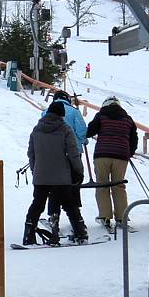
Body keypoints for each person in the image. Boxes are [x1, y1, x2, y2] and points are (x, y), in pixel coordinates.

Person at [23, 101, 88, 245]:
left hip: (41, 176)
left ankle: (28, 234)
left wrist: (36, 170)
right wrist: (78, 171)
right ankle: (79, 233)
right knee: (68, 203)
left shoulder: (36, 129)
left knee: (37, 204)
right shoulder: (65, 129)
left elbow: (31, 154)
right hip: (61, 177)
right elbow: (73, 153)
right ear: (61, 115)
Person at [86, 96, 138, 230]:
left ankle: (105, 217)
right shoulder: (128, 119)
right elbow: (134, 139)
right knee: (119, 186)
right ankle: (122, 217)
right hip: (121, 156)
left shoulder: (101, 115)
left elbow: (89, 131)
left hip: (102, 155)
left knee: (102, 185)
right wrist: (129, 153)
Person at [40, 91, 87, 225]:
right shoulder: (74, 112)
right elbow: (82, 131)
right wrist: (82, 140)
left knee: (54, 186)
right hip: (72, 154)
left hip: (51, 155)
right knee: (73, 184)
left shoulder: (46, 112)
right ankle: (76, 218)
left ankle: (54, 216)